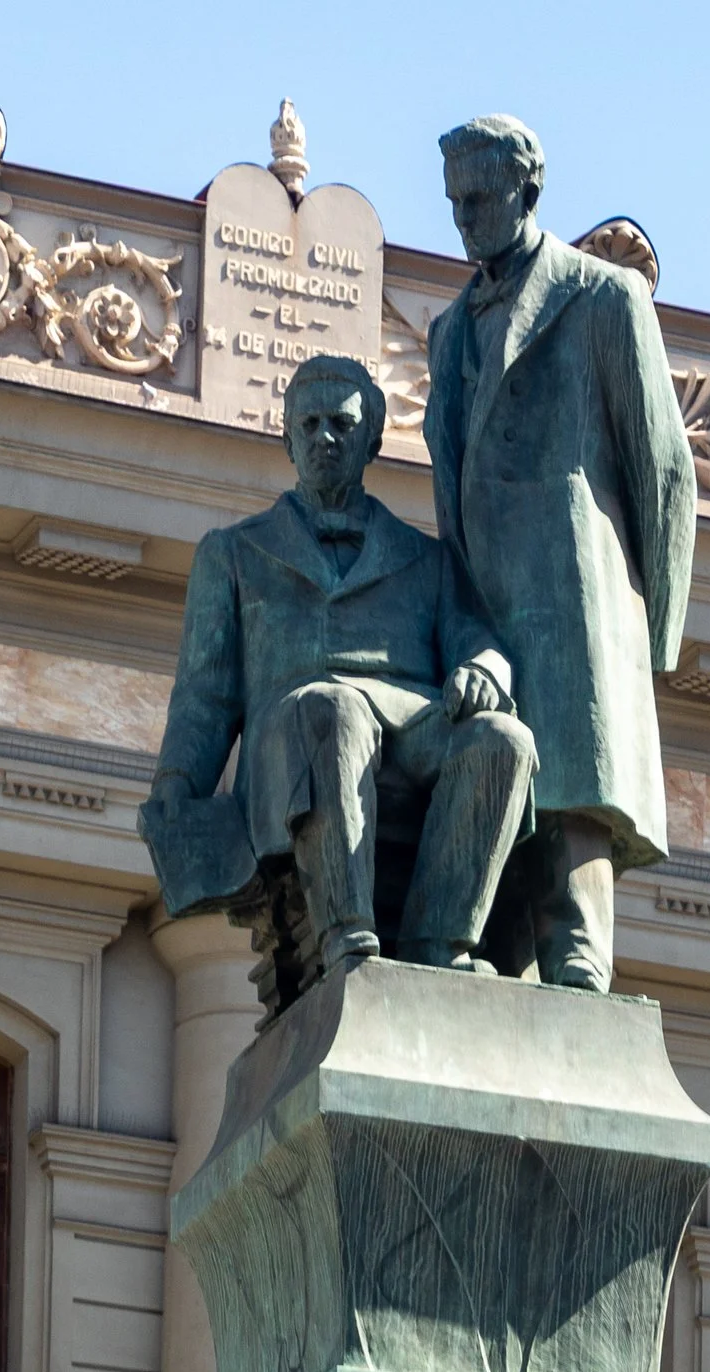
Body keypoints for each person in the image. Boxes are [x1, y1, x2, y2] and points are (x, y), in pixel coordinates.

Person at [141, 349, 535, 998]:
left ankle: (441, 942)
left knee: (503, 740)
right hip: (294, 733)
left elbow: (480, 642)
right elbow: (204, 697)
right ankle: (348, 936)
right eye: (311, 424)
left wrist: (484, 670)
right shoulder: (235, 553)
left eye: (344, 426)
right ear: (287, 437)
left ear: (373, 440)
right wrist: (176, 784)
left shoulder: (425, 559)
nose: (326, 438)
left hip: (412, 722)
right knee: (333, 707)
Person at [424, 114, 695, 991]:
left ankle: (579, 943)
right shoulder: (448, 331)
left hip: (578, 590)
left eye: (482, 197)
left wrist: (645, 641)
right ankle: (506, 947)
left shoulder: (602, 299)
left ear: (527, 193)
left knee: (575, 775)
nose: (466, 218)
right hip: (485, 591)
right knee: (504, 773)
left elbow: (663, 472)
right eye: (455, 201)